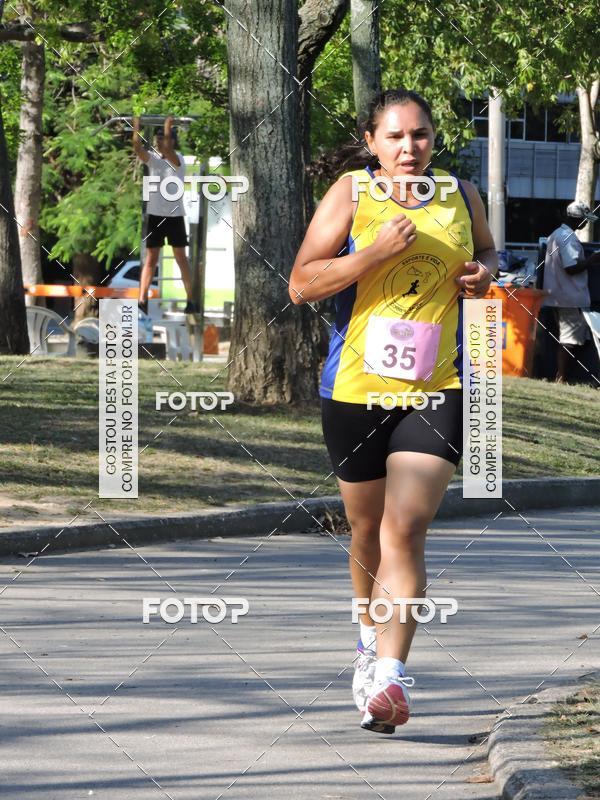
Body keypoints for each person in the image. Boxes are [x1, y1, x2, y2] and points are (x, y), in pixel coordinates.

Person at [289, 89, 498, 734]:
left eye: (422, 136)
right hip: (355, 388)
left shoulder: (462, 195)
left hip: (437, 387)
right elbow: (301, 284)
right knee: (365, 529)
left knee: (404, 528)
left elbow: (490, 252)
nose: (410, 148)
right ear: (373, 142)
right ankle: (366, 638)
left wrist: (483, 275)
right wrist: (374, 252)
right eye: (397, 137)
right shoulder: (352, 194)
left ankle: (389, 677)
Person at [132, 116, 199, 315]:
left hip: (175, 216)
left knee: (181, 259)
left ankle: (191, 299)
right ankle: (142, 299)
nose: (160, 142)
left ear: (172, 141)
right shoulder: (153, 160)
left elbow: (167, 150)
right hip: (155, 216)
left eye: (164, 138)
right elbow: (137, 147)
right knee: (151, 259)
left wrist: (167, 126)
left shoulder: (178, 159)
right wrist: (136, 124)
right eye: (158, 139)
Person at [543, 204, 600, 382]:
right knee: (570, 340)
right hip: (570, 298)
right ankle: (561, 377)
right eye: (584, 220)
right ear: (578, 219)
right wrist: (592, 260)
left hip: (558, 296)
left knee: (571, 338)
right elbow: (571, 268)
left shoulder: (557, 234)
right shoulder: (568, 238)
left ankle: (565, 376)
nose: (585, 224)